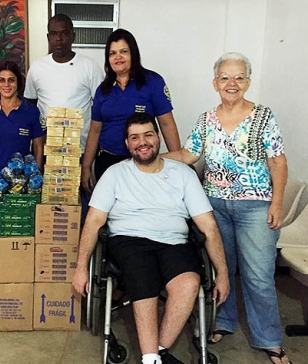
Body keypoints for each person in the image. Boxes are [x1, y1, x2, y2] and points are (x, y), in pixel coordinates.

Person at [163, 52, 291, 364]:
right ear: (215, 83)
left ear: (248, 82)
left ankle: (269, 339)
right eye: (224, 77)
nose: (231, 83)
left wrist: (277, 203)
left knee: (258, 275)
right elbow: (187, 155)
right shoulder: (207, 119)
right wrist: (150, 157)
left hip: (255, 206)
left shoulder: (263, 116)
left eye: (238, 77)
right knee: (222, 269)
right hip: (215, 206)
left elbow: (278, 160)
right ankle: (224, 321)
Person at [73, 112, 229, 364]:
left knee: (189, 283)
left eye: (148, 134)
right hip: (128, 241)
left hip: (174, 242)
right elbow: (93, 221)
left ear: (158, 137)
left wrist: (221, 272)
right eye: (134, 137)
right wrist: (81, 268)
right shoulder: (115, 174)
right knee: (143, 275)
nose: (141, 142)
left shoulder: (183, 174)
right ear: (127, 144)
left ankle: (159, 351)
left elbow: (208, 225)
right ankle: (150, 358)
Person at [81, 29, 181, 193]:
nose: (118, 57)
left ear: (133, 54)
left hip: (144, 161)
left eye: (123, 51)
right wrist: (86, 167)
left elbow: (166, 123)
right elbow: (94, 130)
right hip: (107, 163)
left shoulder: (152, 82)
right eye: (112, 53)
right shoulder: (103, 90)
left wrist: (179, 161)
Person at [24, 14, 103, 152]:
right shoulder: (37, 68)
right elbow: (30, 106)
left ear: (73, 36)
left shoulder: (90, 66)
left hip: (79, 148)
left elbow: (100, 106)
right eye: (54, 34)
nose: (59, 39)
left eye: (64, 34)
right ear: (48, 38)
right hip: (46, 148)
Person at [0, 61, 45, 185]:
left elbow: (38, 147)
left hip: (22, 180)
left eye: (11, 80)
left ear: (18, 83)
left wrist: (36, 178)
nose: (6, 84)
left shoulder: (31, 111)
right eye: (2, 80)